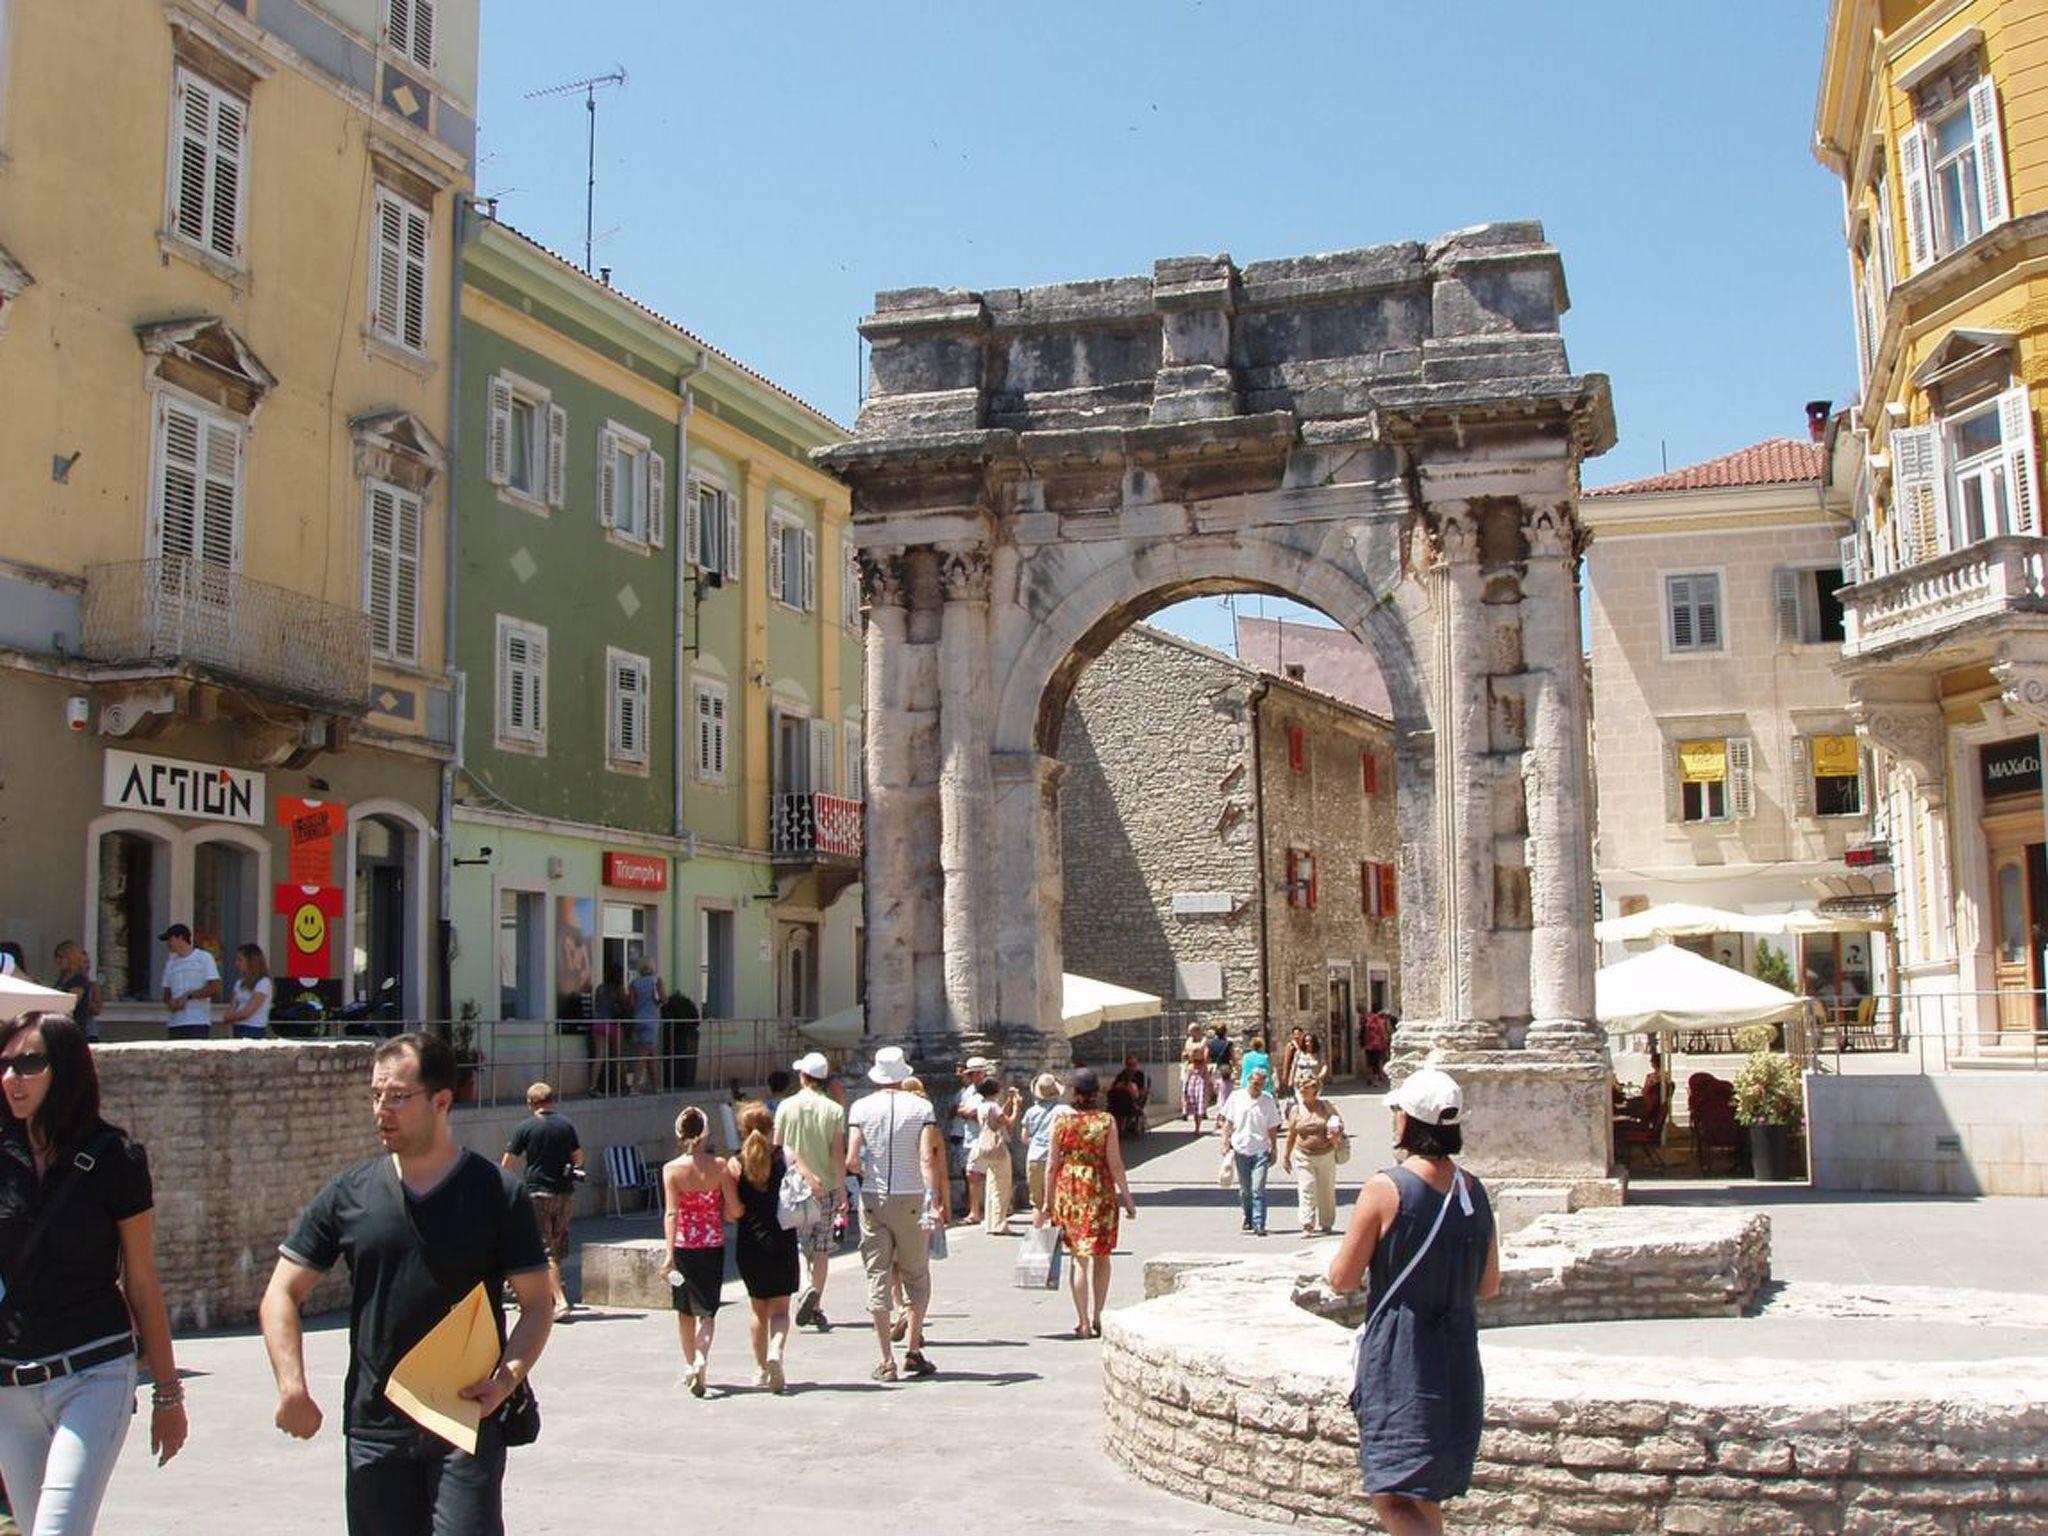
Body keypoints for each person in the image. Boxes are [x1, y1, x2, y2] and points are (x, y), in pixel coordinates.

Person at [261, 1032, 553, 1536]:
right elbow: (280, 1293)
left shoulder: (496, 1193)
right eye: (376, 1095)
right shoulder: (349, 1194)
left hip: (464, 1421)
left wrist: (507, 1379)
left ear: (442, 1102)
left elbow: (537, 1304)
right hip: (375, 1427)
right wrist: (292, 1387)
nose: (382, 1110)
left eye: (397, 1096)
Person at [0, 1013, 185, 1532]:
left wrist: (168, 1393)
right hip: (9, 1385)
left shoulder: (114, 1159)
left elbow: (141, 1283)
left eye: (29, 1063)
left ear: (65, 1068)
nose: (13, 1078)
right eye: (5, 1064)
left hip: (93, 1372)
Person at [1327, 1067, 1500, 1536]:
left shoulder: (1386, 1189)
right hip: (1457, 1359)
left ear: (1409, 1122)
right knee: (1424, 1494)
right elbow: (1488, 1285)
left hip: (1402, 1359)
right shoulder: (1474, 1190)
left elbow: (1343, 1278)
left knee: (1391, 1496)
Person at [845, 1046, 947, 1382]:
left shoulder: (860, 1107)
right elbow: (926, 1157)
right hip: (911, 1193)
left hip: (873, 1196)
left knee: (878, 1274)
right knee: (916, 1274)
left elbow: (852, 1160)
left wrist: (867, 1175)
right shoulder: (921, 1108)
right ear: (903, 1074)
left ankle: (885, 1358)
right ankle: (913, 1350)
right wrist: (932, 1199)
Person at [1038, 1067, 1136, 1339]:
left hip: (1070, 1190)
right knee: (1102, 1256)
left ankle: (1082, 1322)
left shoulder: (1061, 1122)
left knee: (1078, 1259)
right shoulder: (1106, 1121)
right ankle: (1098, 1316)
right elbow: (1115, 1164)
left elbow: (1051, 1165)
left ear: (1074, 1092)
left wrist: (1047, 1201)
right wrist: (1127, 1199)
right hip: (1099, 1190)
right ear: (1096, 1093)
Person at [727, 1102, 799, 1393]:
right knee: (781, 1310)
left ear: (741, 1130)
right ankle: (776, 1351)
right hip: (783, 1238)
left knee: (758, 1309)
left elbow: (733, 1211)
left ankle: (759, 1369)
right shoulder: (786, 1155)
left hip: (750, 1242)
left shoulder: (734, 1165)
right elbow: (810, 1184)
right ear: (771, 1128)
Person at [774, 1052, 846, 1331]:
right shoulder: (834, 1110)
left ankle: (805, 1285)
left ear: (803, 1077)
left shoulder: (786, 1106)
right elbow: (837, 1153)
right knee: (822, 1247)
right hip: (826, 1186)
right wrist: (842, 1190)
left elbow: (778, 1146)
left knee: (798, 1243)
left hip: (794, 1185)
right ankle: (815, 1304)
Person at [500, 1083, 584, 1322]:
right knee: (556, 1246)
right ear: (552, 1100)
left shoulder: (525, 1127)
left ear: (531, 1103)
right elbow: (579, 1158)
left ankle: (560, 1301)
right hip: (564, 1193)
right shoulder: (566, 1125)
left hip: (537, 1193)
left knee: (544, 1250)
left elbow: (507, 1163)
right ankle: (552, 1292)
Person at [660, 1106, 728, 1397]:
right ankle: (702, 1356)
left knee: (684, 1310)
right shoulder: (719, 1166)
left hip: (683, 1246)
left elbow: (671, 1213)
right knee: (708, 1311)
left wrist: (668, 1254)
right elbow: (728, 1205)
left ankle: (690, 1364)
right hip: (712, 1244)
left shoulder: (671, 1169)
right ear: (706, 1133)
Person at [1217, 1065, 1282, 1236]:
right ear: (1249, 1081)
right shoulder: (1236, 1097)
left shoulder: (1267, 1100)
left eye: (1260, 1084)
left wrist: (1274, 1148)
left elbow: (1272, 1127)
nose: (1257, 1086)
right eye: (1255, 1083)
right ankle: (1248, 1216)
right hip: (1241, 1148)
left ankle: (1259, 1223)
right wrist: (1225, 1142)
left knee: (1258, 1188)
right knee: (1246, 1189)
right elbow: (1228, 1122)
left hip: (1261, 1149)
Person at [1283, 1073, 1346, 1235]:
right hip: (1303, 1154)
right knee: (1306, 1188)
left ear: (1315, 1089)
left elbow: (1340, 1124)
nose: (1302, 1089)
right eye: (1300, 1087)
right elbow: (1291, 1134)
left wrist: (1336, 1133)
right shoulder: (1296, 1109)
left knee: (1326, 1190)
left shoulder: (1326, 1106)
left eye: (1306, 1086)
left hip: (1326, 1153)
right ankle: (1307, 1224)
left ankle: (1327, 1223)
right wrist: (1286, 1156)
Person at [1019, 1074, 1071, 1212]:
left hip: (1035, 1158)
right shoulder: (1066, 1111)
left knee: (1037, 1204)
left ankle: (1039, 1226)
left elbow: (1024, 1138)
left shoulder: (1031, 1112)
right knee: (1058, 1201)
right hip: (1059, 1159)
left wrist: (1038, 1143)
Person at [950, 1056, 992, 1225]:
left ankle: (983, 1210)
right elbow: (959, 1110)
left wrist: (966, 1112)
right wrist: (965, 1112)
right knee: (972, 1174)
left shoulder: (988, 1088)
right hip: (970, 1136)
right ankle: (975, 1210)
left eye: (973, 1073)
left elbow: (980, 1112)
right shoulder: (968, 1092)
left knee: (984, 1174)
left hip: (984, 1136)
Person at [974, 1079, 1020, 1233]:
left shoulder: (982, 1106)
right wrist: (1016, 1107)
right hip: (997, 1146)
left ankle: (991, 1222)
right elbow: (1009, 1122)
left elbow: (998, 1115)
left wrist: (1008, 1102)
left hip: (985, 1145)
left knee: (992, 1183)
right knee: (1002, 1185)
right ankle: (1000, 1223)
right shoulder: (993, 1106)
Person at [157, 925, 218, 1041]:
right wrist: (170, 1002)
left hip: (197, 1021)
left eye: (170, 939)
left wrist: (188, 996)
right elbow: (166, 992)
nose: (168, 943)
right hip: (175, 1023)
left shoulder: (203, 958)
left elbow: (214, 986)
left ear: (180, 937)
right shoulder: (170, 964)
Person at [221, 943, 275, 1041]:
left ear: (251, 961)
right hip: (238, 1028)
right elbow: (233, 1005)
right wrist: (229, 1016)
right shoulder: (239, 983)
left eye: (240, 960)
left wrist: (229, 1017)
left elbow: (248, 1012)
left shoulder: (263, 982)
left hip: (254, 1029)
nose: (237, 964)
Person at [50, 943, 100, 1044]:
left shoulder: (78, 979)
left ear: (71, 958)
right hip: (60, 1030)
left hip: (73, 1032)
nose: (58, 961)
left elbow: (71, 1003)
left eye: (61, 957)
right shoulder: (62, 979)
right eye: (57, 957)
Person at [589, 963, 626, 1096]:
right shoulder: (618, 989)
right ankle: (623, 1085)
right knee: (619, 1056)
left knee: (599, 1056)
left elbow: (597, 1006)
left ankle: (593, 1086)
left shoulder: (600, 988)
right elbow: (624, 1005)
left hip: (598, 1023)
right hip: (613, 1024)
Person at [627, 959, 663, 1095]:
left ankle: (656, 1087)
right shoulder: (656, 980)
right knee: (643, 1055)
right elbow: (664, 998)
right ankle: (635, 1087)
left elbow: (631, 1004)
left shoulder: (634, 983)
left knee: (650, 1054)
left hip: (638, 1020)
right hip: (651, 1021)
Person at [1108, 1054, 1149, 1139]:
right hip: (1119, 1102)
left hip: (1133, 1101)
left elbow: (1143, 1091)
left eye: (1134, 1065)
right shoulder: (1121, 1075)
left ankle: (1125, 1127)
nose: (1132, 1067)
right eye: (1129, 1065)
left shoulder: (1141, 1076)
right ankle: (1120, 1129)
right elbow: (1114, 1087)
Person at [1292, 1032, 1329, 1096]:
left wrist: (1320, 1077)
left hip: (1313, 1083)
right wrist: (1291, 1079)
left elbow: (1324, 1066)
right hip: (1300, 1082)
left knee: (1311, 1100)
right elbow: (1294, 1066)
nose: (1308, 1043)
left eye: (1310, 1041)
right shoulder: (1299, 1053)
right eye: (1306, 1041)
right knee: (1300, 1099)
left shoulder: (1318, 1054)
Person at [1363, 1010, 1393, 1089]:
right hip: (1378, 1045)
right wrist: (1385, 1043)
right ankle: (1376, 1081)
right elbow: (1383, 1033)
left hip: (1369, 1046)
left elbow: (1365, 1033)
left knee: (1369, 1062)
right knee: (1376, 1063)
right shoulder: (1380, 1022)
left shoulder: (1368, 1022)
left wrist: (1365, 1044)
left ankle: (1369, 1078)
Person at [1279, 1026, 1307, 1101]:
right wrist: (1285, 1076)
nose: (1297, 1036)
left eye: (1299, 1034)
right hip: (1294, 1074)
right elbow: (1287, 1062)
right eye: (1295, 1034)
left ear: (1302, 1034)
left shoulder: (1304, 1045)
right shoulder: (1291, 1046)